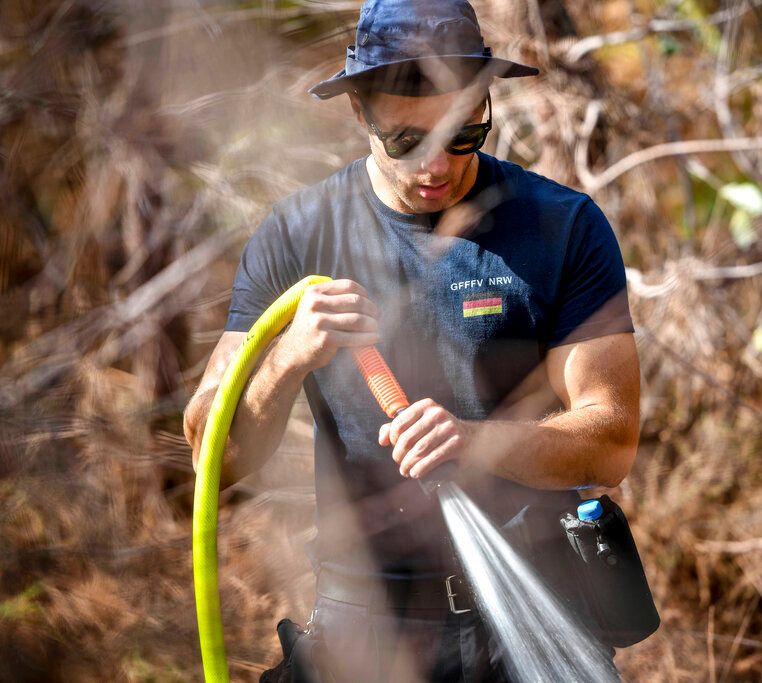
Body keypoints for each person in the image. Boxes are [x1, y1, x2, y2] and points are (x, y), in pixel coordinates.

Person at [183, 0, 641, 680]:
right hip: (368, 626)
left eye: (463, 132)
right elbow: (210, 455)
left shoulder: (561, 226)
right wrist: (289, 355)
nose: (438, 166)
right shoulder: (297, 235)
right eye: (405, 140)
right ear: (361, 114)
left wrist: (478, 442)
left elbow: (611, 439)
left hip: (539, 610)